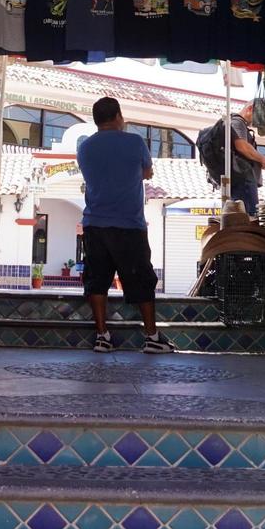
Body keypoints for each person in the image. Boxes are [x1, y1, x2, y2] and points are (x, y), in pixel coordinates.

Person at [75, 96, 174, 354]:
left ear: (96, 120)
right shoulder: (134, 141)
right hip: (129, 224)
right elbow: (147, 172)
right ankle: (152, 337)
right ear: (118, 116)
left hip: (95, 224)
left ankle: (102, 337)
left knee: (96, 280)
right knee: (141, 279)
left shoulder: (85, 147)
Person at [229, 102, 265, 217]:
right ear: (250, 109)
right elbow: (242, 146)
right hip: (243, 181)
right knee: (250, 219)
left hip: (241, 181)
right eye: (258, 116)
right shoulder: (237, 122)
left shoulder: (236, 123)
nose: (257, 121)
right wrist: (262, 159)